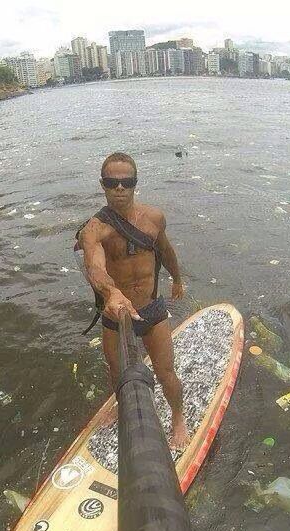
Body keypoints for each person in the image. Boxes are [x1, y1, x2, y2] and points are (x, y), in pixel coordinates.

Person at [76, 152, 190, 450]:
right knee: (116, 372)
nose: (120, 188)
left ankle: (178, 418)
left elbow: (166, 251)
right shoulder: (94, 230)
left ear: (136, 183)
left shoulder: (154, 218)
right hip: (116, 314)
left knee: (166, 372)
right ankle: (119, 404)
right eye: (112, 182)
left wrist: (177, 279)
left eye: (127, 182)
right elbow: (94, 267)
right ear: (103, 184)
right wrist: (111, 293)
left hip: (151, 310)